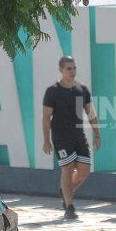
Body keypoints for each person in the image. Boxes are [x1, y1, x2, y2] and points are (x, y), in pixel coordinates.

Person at [43, 56, 101, 219]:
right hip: (61, 136)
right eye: (69, 68)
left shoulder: (82, 90)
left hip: (78, 134)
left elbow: (91, 113)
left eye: (74, 68)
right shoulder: (53, 91)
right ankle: (69, 206)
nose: (72, 71)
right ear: (61, 69)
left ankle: (65, 190)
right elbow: (46, 117)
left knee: (84, 171)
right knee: (67, 169)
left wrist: (97, 134)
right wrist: (46, 140)